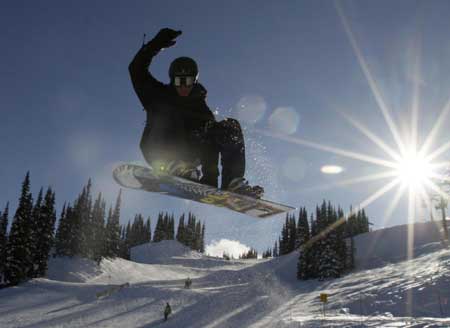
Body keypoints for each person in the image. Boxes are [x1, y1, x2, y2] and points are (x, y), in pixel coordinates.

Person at [128, 28, 263, 198]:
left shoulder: (200, 107)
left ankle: (232, 181)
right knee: (169, 110)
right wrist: (155, 45)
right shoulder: (156, 94)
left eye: (188, 81)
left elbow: (209, 144)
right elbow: (136, 69)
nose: (184, 86)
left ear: (195, 80)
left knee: (229, 126)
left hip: (190, 160)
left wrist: (210, 180)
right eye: (179, 81)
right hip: (159, 151)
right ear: (172, 80)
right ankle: (174, 165)